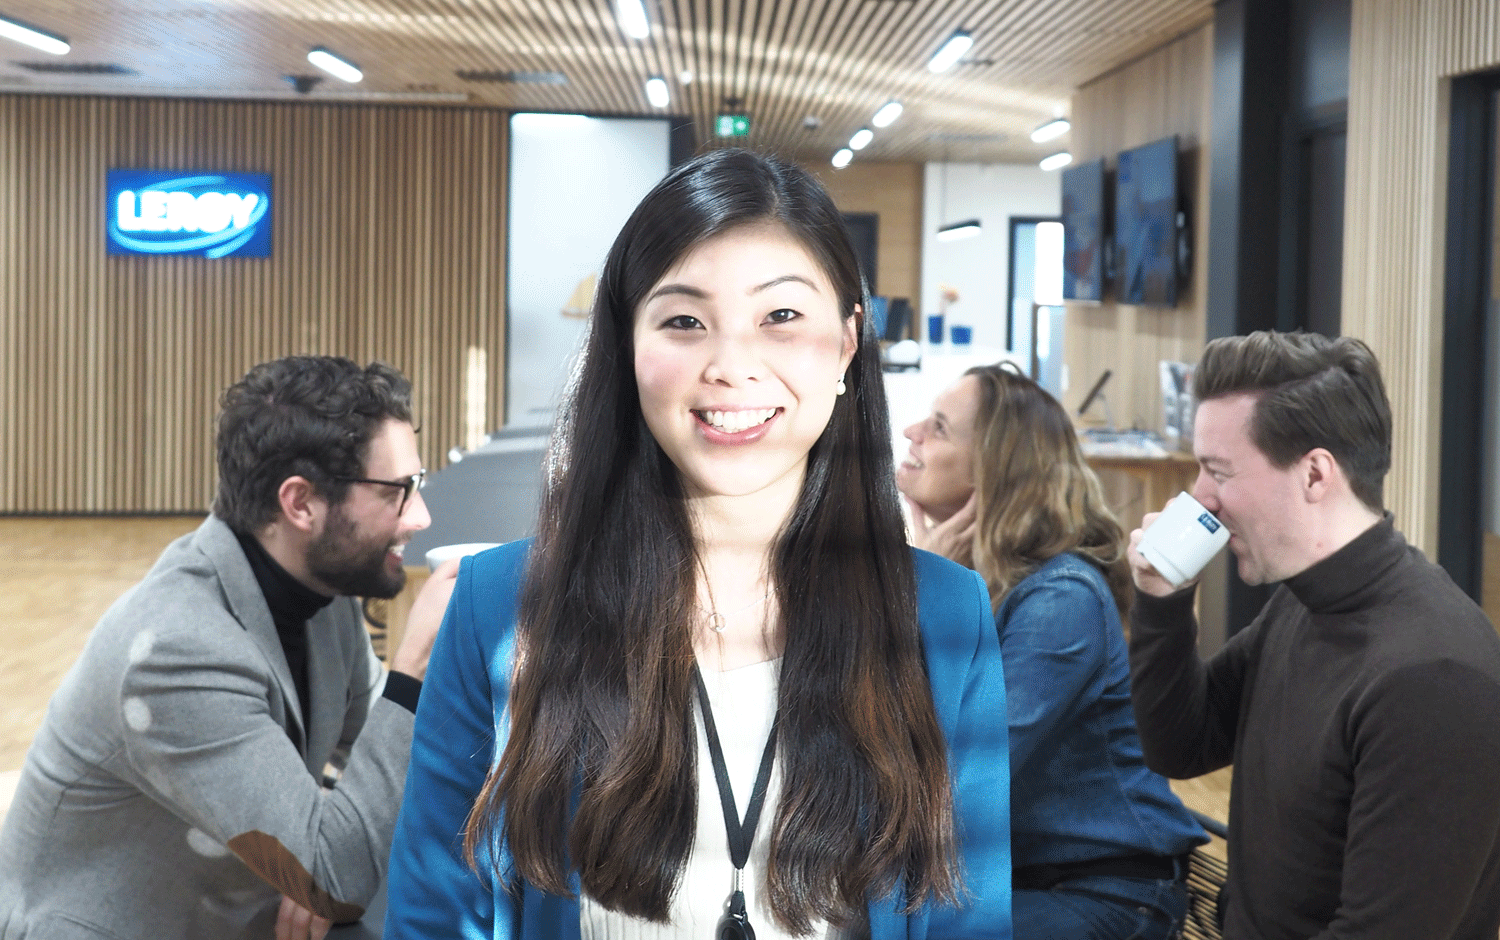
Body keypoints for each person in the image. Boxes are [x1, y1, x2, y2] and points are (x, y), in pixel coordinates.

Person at [384, 149, 1012, 939]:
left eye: (781, 317)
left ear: (848, 342)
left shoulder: (943, 617)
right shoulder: (500, 606)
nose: (731, 366)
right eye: (684, 321)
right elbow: (437, 915)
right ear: (626, 345)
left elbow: (963, 917)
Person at [0, 356, 456, 940]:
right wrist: (414, 670)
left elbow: (372, 759)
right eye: (398, 492)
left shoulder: (324, 586)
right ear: (300, 504)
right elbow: (333, 876)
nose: (421, 517)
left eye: (418, 485)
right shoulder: (176, 650)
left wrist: (310, 856)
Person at [1126, 330, 1500, 939]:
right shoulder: (1303, 605)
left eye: (1218, 471)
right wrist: (1162, 601)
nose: (1200, 498)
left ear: (1315, 475)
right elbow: (1181, 745)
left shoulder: (1435, 677)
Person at [898, 364, 1206, 940]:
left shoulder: (1062, 600)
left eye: (938, 428)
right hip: (1015, 880)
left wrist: (927, 591)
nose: (911, 432)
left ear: (996, 470)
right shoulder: (980, 581)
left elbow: (956, 767)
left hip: (1107, 893)